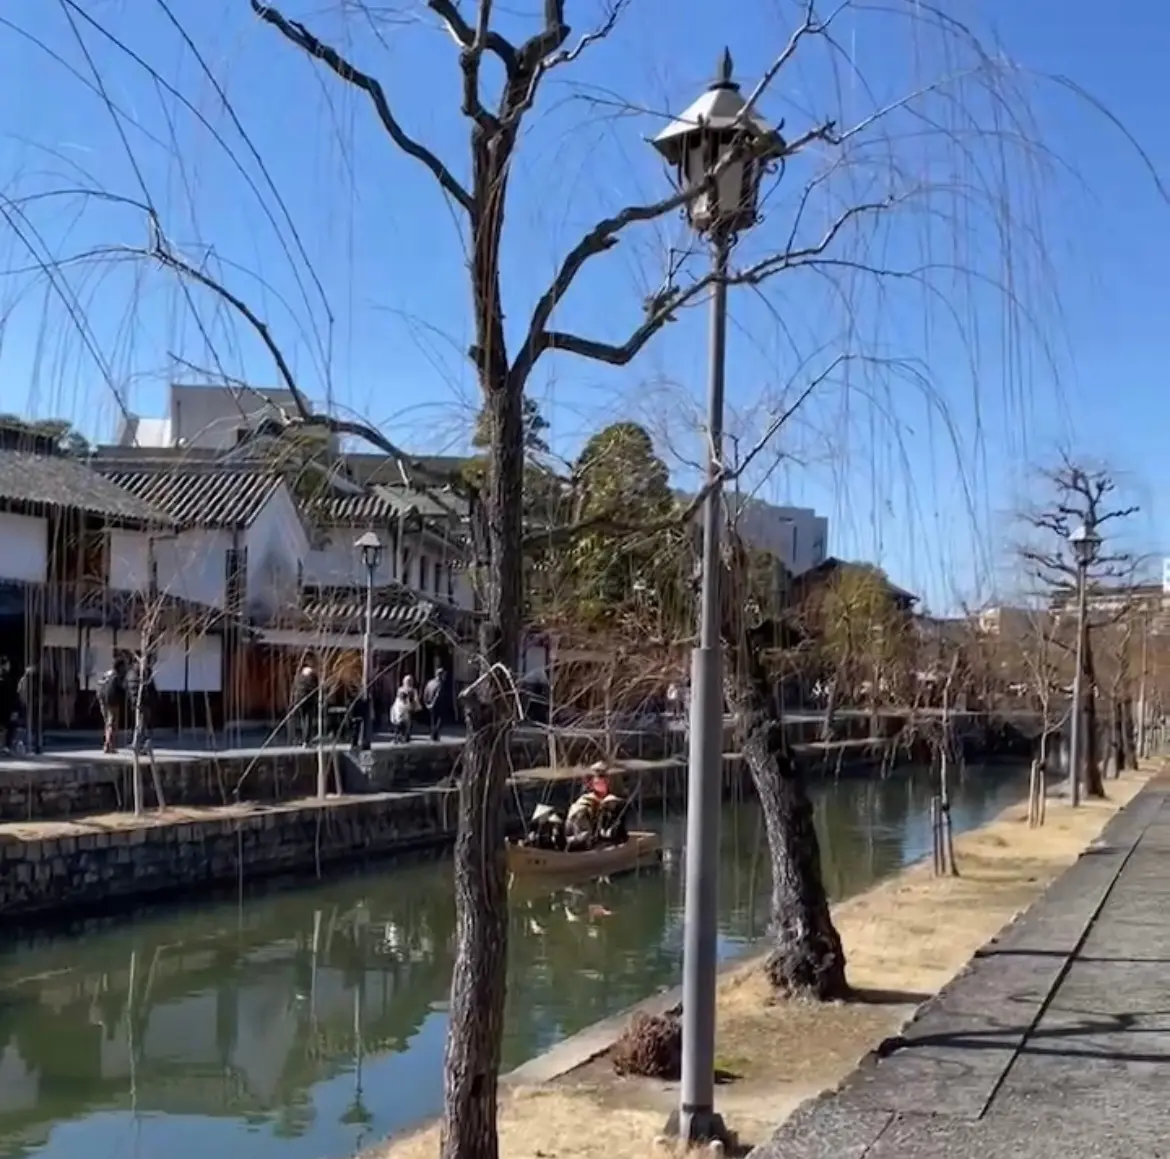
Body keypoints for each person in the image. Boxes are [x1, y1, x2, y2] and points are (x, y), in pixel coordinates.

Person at [124, 658, 158, 754]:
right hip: (144, 702)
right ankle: (142, 744)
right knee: (143, 724)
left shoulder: (130, 674)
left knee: (139, 723)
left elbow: (126, 686)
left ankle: (138, 743)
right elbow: (149, 690)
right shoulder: (144, 674)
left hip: (135, 701)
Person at [96, 656, 127, 754]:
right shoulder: (117, 677)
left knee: (108, 724)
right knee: (112, 725)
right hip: (112, 702)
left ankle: (108, 744)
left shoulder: (107, 674)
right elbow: (122, 689)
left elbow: (99, 684)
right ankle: (108, 745)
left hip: (103, 700)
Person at [291, 664, 319, 748]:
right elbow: (315, 689)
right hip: (308, 701)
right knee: (308, 721)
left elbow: (296, 689)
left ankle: (303, 740)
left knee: (303, 721)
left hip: (299, 701)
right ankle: (306, 741)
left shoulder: (299, 677)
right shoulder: (312, 677)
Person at [422, 667, 446, 742]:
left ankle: (433, 735)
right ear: (440, 675)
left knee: (432, 720)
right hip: (438, 705)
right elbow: (437, 695)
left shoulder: (430, 682)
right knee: (439, 721)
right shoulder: (440, 684)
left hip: (429, 704)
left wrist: (426, 703)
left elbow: (425, 693)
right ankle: (435, 735)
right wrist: (433, 704)